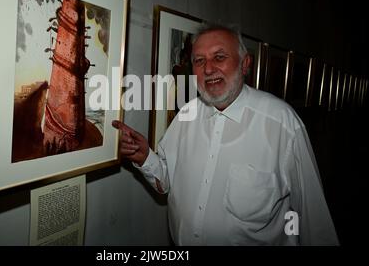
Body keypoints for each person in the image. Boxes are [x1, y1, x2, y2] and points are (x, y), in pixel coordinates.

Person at [112, 25, 339, 245]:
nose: (208, 69)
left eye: (219, 57)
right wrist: (145, 157)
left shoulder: (282, 124)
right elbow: (168, 176)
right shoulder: (186, 116)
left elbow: (312, 219)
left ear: (245, 63)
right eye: (199, 61)